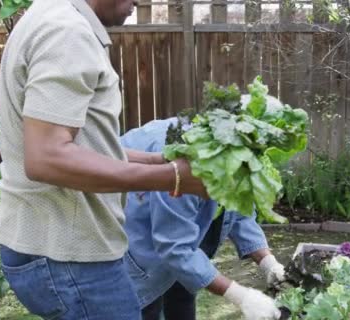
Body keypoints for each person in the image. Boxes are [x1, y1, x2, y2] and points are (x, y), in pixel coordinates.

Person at [0, 0, 207, 319]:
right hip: (70, 259)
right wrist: (173, 178)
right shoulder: (66, 32)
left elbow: (80, 144)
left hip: (49, 250)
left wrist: (157, 161)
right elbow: (47, 158)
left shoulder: (51, 15)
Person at [120, 97, 287, 320]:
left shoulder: (237, 154)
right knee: (146, 304)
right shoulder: (186, 160)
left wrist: (269, 263)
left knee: (183, 296)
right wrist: (241, 296)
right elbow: (175, 247)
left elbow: (239, 213)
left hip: (177, 242)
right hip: (135, 238)